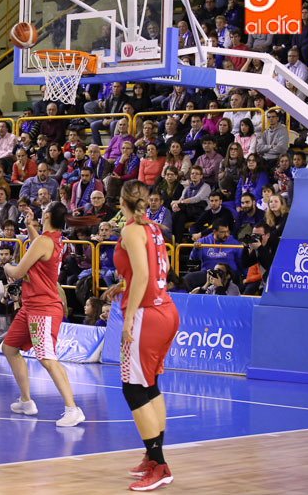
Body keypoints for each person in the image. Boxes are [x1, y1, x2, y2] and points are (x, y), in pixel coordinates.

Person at [104, 180, 178, 491]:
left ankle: (160, 465)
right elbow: (157, 269)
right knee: (150, 385)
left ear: (121, 201)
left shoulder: (130, 231)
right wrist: (122, 286)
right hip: (167, 310)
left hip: (147, 315)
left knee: (132, 389)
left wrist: (129, 315)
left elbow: (144, 274)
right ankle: (152, 457)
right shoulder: (154, 228)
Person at [1, 203, 86, 425]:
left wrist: (6, 266)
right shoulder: (51, 238)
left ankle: (72, 409)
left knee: (47, 358)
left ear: (47, 215)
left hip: (43, 308)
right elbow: (39, 245)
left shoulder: (44, 241)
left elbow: (19, 271)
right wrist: (30, 226)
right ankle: (26, 401)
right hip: (30, 305)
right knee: (9, 348)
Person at [186, 222, 242, 289]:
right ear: (214, 231)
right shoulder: (203, 241)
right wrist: (196, 249)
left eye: (227, 232)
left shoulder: (234, 242)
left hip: (227, 274)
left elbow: (241, 260)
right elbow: (193, 258)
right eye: (223, 232)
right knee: (187, 279)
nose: (226, 234)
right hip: (208, 273)